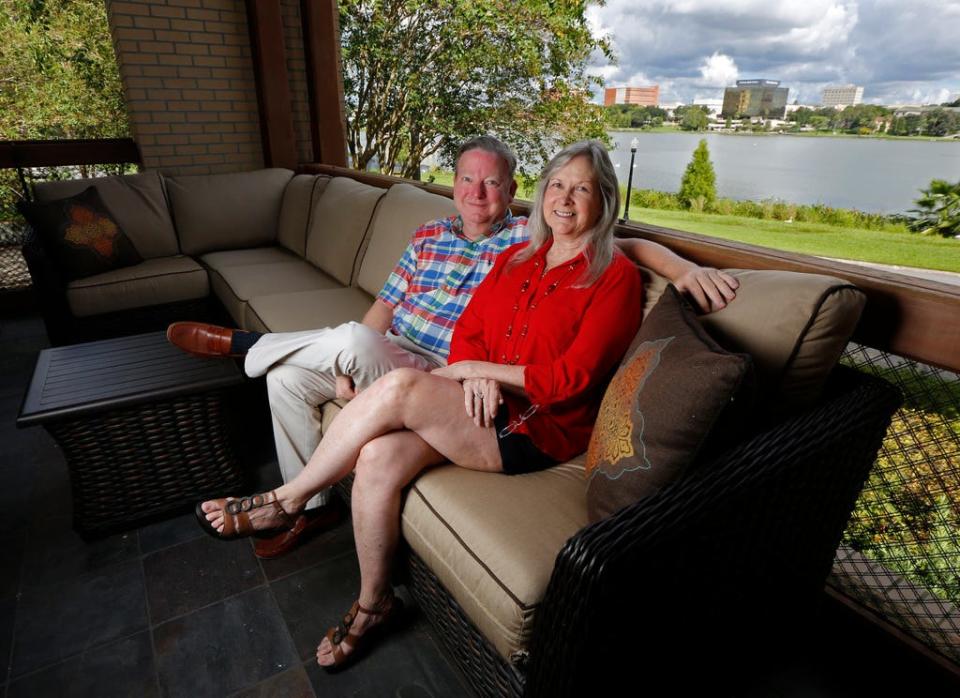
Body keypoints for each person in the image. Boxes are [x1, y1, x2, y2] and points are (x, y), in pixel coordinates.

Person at [170, 136, 738, 558]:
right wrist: (348, 360)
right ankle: (305, 509)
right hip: (388, 348)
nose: (477, 193)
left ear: (514, 192)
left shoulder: (525, 237)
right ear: (454, 184)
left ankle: (253, 348)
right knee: (290, 377)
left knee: (346, 340)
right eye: (467, 179)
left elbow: (620, 245)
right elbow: (385, 308)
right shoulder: (430, 235)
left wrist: (681, 264)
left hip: (439, 370)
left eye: (492, 183)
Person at [195, 140, 644, 670]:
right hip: (479, 405)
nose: (567, 198)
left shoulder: (614, 276)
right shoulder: (521, 258)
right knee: (376, 458)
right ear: (544, 193)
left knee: (403, 386)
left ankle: (287, 499)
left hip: (533, 430)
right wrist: (475, 370)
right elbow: (471, 331)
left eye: (584, 188)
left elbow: (572, 380)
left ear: (605, 200)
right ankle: (373, 604)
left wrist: (478, 371)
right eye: (560, 185)